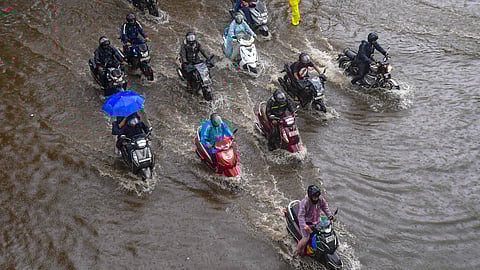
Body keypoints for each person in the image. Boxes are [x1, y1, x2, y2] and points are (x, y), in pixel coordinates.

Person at [294, 184, 336, 257]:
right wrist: (305, 226)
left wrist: (330, 216)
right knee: (306, 238)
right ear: (310, 196)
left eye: (317, 197)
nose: (316, 199)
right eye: (314, 197)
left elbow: (325, 207)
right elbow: (300, 216)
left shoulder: (320, 199)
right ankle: (296, 251)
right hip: (306, 223)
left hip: (316, 221)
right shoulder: (305, 202)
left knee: (322, 233)